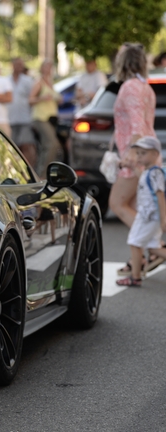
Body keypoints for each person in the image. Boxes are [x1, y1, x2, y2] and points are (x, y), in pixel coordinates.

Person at [109, 43, 163, 276]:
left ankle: (154, 249)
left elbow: (138, 125)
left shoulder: (130, 87)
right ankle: (139, 258)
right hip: (145, 155)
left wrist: (131, 158)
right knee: (134, 208)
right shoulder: (145, 87)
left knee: (117, 204)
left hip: (136, 158)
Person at [115, 137, 166, 287]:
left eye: (143, 153)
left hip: (149, 217)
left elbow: (160, 196)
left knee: (135, 242)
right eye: (138, 153)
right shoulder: (148, 172)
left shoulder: (155, 173)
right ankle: (135, 275)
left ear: (155, 155)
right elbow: (142, 177)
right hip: (149, 216)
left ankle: (135, 277)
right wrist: (130, 166)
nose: (139, 156)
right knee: (152, 247)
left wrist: (164, 219)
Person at [29, 60, 63, 176]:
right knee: (51, 144)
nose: (48, 70)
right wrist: (42, 98)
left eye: (50, 67)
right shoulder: (39, 82)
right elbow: (30, 100)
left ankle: (44, 172)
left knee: (48, 146)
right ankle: (41, 174)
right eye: (46, 67)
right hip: (40, 117)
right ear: (42, 68)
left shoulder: (51, 82)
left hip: (50, 118)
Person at [8, 57, 37, 166]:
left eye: (21, 65)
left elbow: (32, 98)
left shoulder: (28, 81)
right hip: (10, 118)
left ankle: (27, 169)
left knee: (26, 145)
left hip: (24, 118)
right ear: (13, 65)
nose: (20, 67)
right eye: (18, 64)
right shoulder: (6, 80)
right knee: (12, 147)